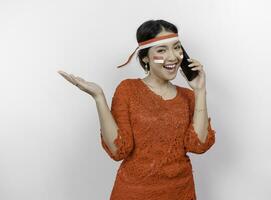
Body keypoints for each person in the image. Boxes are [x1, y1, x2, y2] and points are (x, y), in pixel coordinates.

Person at [58, 19, 216, 200]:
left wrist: (200, 90)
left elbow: (199, 145)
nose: (173, 57)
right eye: (161, 50)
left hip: (181, 191)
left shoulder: (189, 97)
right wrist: (99, 97)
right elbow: (119, 150)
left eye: (177, 47)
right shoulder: (128, 90)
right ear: (145, 57)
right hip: (134, 193)